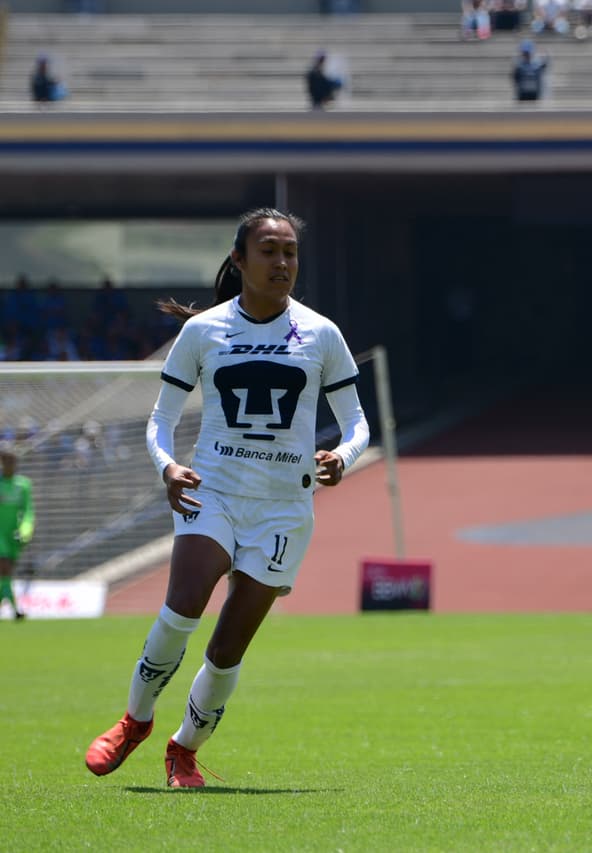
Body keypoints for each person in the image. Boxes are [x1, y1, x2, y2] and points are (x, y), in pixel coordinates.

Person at [83, 208, 370, 788]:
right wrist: (166, 467)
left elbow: (357, 422)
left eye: (290, 251)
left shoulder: (321, 333)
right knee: (184, 604)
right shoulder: (203, 331)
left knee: (228, 648)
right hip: (211, 492)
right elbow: (160, 421)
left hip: (285, 508)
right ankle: (135, 720)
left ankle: (183, 750)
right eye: (268, 250)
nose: (282, 262)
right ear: (239, 260)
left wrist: (343, 455)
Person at [0, 446, 35, 621]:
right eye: (6, 461)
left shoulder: (23, 485)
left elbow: (28, 511)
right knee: (4, 567)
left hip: (13, 536)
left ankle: (13, 608)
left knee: (6, 573)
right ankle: (16, 609)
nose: (10, 464)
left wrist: (25, 531)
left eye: (13, 461)